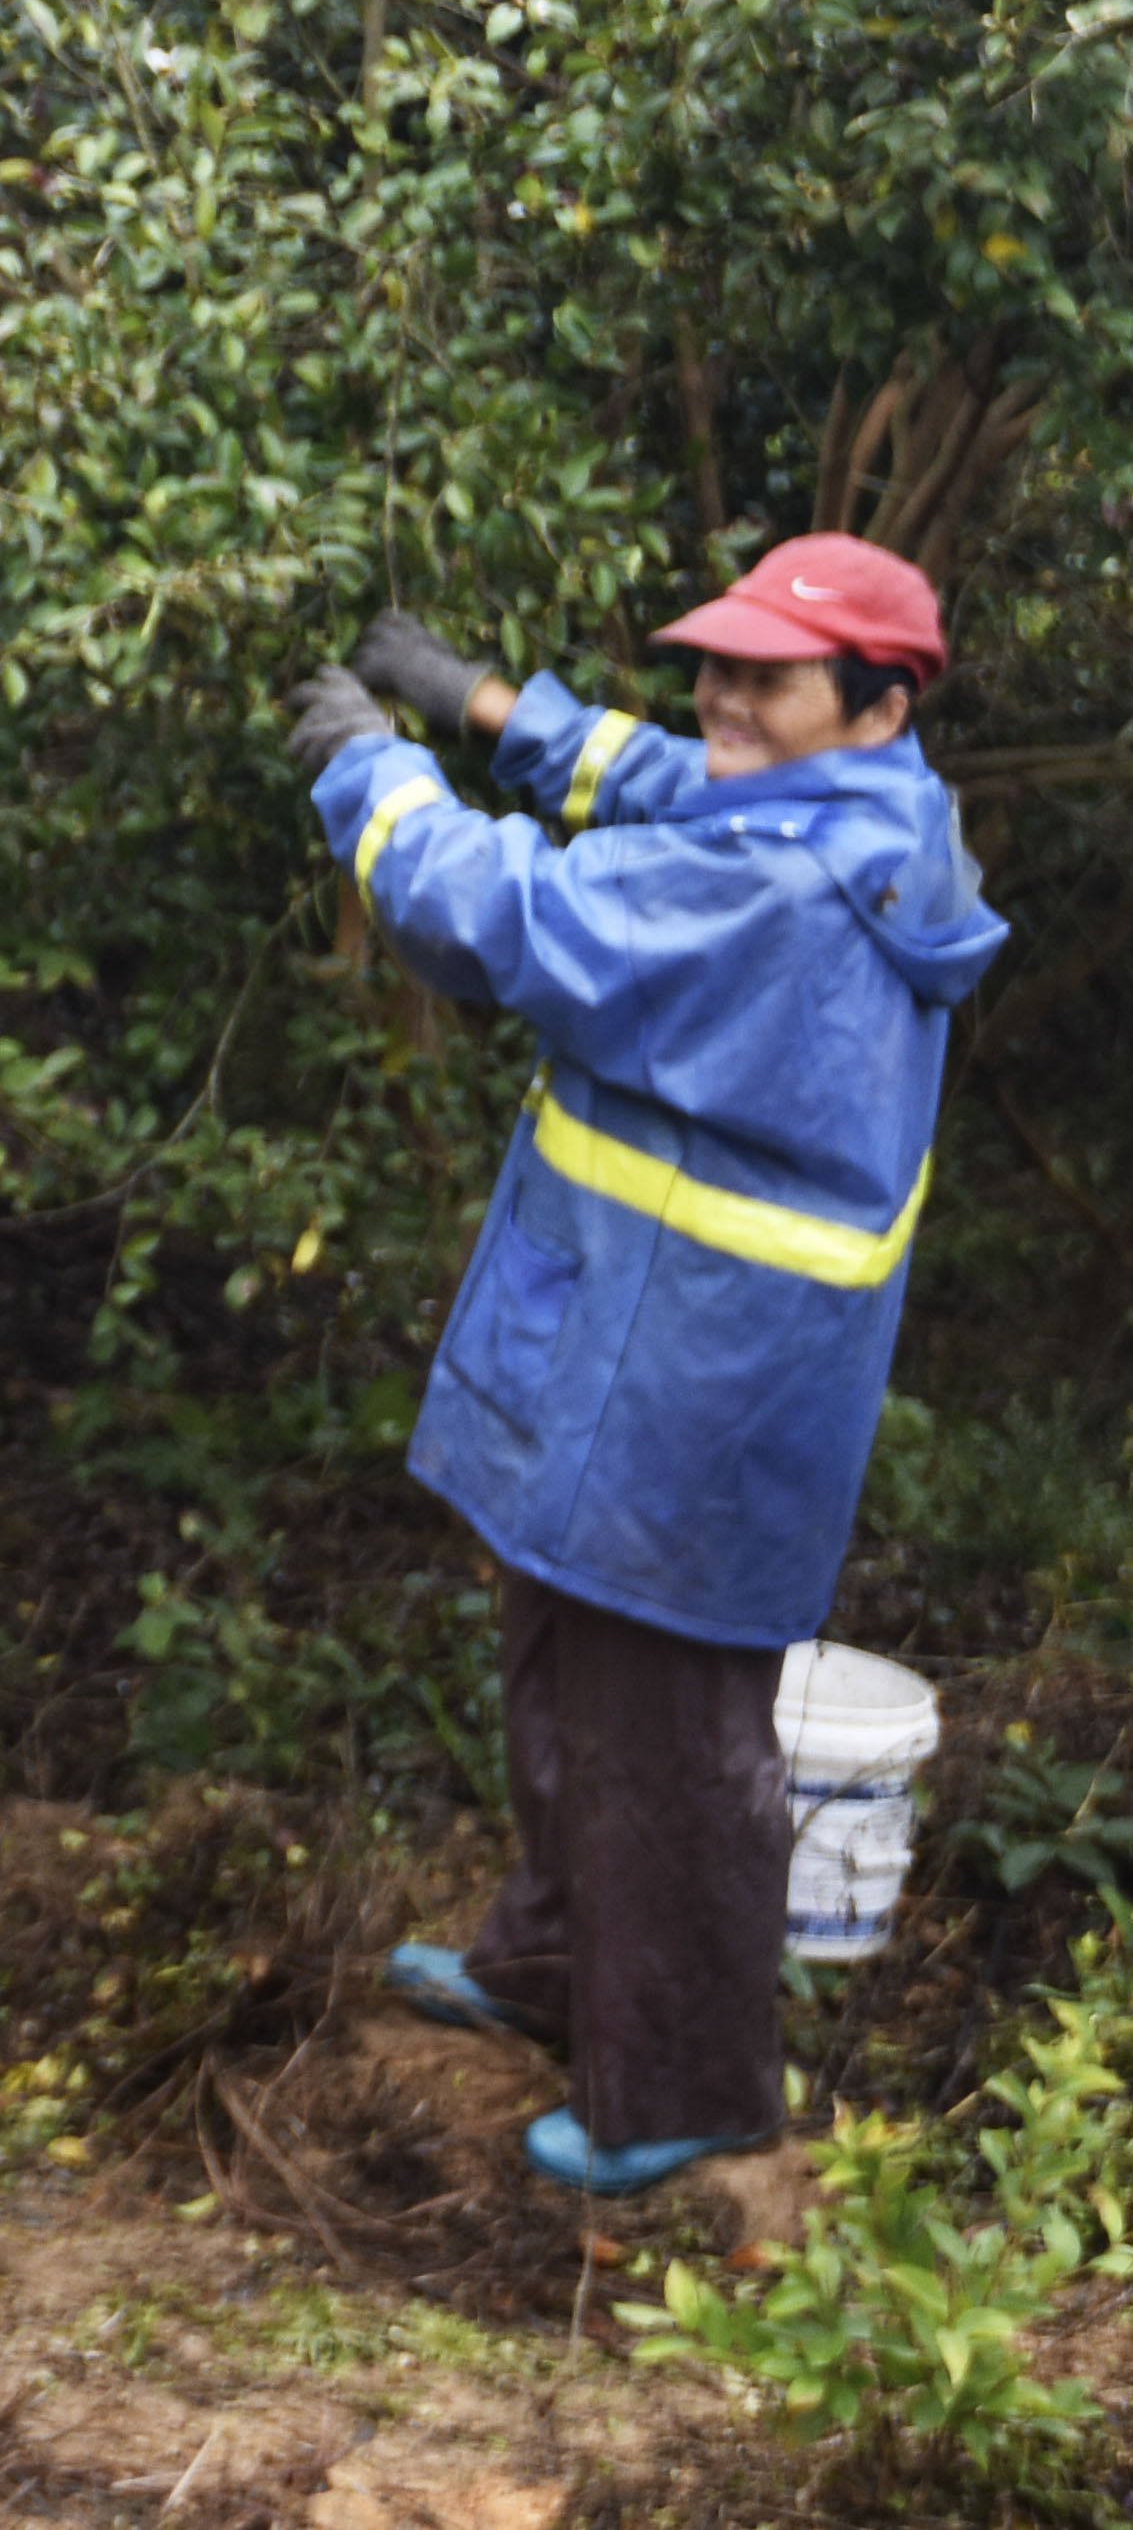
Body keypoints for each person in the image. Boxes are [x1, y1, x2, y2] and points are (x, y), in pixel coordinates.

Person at [293, 532, 1004, 2198]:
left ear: (878, 698)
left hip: (696, 1389)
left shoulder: (781, 886)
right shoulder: (839, 806)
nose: (718, 694)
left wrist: (369, 772)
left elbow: (511, 912)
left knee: (667, 1732)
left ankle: (682, 2080)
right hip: (643, 1349)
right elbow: (673, 774)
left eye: (762, 671)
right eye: (716, 658)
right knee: (559, 1665)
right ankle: (551, 1962)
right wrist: (481, 701)